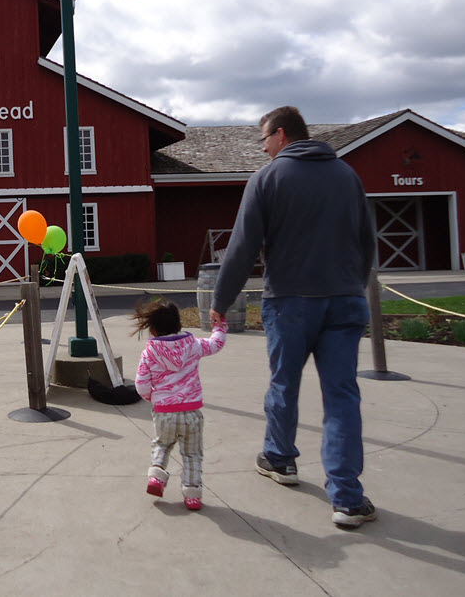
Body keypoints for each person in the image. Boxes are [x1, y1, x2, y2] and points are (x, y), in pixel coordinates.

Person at [209, 105, 377, 528]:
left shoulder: (267, 179)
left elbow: (243, 247)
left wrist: (221, 299)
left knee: (285, 383)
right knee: (342, 396)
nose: (262, 147)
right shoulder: (347, 175)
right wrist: (352, 285)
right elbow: (367, 240)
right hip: (344, 299)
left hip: (290, 303)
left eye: (263, 139)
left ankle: (281, 460)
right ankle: (348, 499)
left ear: (281, 135)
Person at [134, 298, 227, 511]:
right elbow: (216, 344)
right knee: (192, 454)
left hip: (165, 413)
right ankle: (192, 493)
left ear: (153, 330)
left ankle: (157, 476)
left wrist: (152, 398)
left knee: (162, 445)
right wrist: (219, 326)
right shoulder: (193, 345)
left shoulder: (150, 352)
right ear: (179, 325)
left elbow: (141, 383)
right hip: (192, 412)